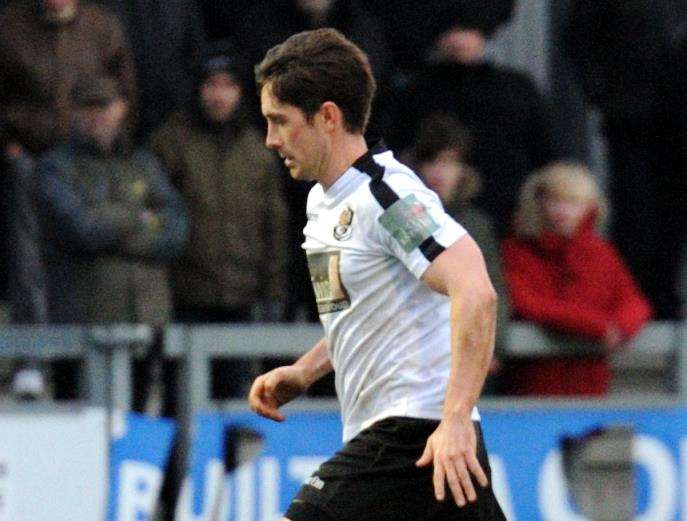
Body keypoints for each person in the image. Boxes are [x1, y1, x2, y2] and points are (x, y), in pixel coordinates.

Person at [248, 29, 505, 520]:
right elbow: (365, 308)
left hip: (415, 432)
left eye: (280, 121)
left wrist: (453, 421)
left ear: (327, 117)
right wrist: (305, 370)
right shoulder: (325, 201)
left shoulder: (388, 198)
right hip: (419, 447)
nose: (271, 139)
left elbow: (475, 291)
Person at [34, 76, 188, 399]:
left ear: (121, 109)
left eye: (104, 107)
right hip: (82, 327)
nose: (97, 116)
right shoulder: (53, 168)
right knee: (77, 429)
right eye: (88, 107)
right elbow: (82, 230)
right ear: (73, 112)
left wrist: (109, 220)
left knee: (138, 431)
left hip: (145, 322)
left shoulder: (143, 163)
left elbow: (175, 230)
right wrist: (141, 217)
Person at [150, 42, 287, 397]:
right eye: (211, 85)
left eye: (229, 86)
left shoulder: (258, 149)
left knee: (234, 404)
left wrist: (272, 292)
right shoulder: (169, 143)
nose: (219, 95)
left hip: (241, 299)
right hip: (184, 298)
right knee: (179, 398)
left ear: (242, 93)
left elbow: (274, 224)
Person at [564, 0, 687, 319]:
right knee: (635, 212)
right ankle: (633, 299)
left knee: (673, 213)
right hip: (630, 113)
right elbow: (578, 36)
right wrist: (602, 92)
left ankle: (663, 300)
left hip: (676, 113)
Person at [392, 3, 559, 236]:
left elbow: (544, 154)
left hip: (507, 216)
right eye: (452, 30)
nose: (460, 40)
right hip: (429, 220)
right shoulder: (413, 94)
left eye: (470, 29)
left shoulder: (516, 90)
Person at [501, 162, 652, 396]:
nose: (563, 211)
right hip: (533, 384)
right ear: (538, 203)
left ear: (590, 207)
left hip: (590, 384)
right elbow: (529, 304)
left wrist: (621, 327)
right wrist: (598, 327)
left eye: (573, 202)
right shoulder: (517, 251)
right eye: (554, 201)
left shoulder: (601, 252)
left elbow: (634, 302)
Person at [409, 113, 510, 395]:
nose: (439, 172)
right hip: (414, 354)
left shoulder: (477, 224)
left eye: (449, 162)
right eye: (432, 161)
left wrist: (491, 346)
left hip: (465, 349)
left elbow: (493, 287)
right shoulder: (401, 217)